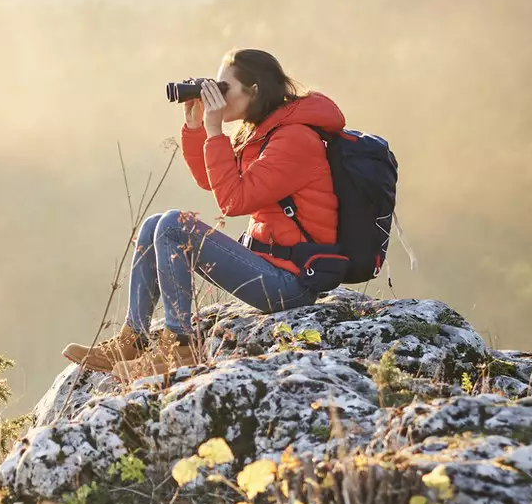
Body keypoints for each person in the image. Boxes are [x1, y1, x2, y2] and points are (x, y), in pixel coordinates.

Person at [66, 48, 346, 374]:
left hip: (291, 284)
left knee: (173, 226)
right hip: (268, 266)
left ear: (254, 89)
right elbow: (212, 181)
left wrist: (215, 132)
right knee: (155, 223)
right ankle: (134, 339)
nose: (218, 96)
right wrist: (196, 127)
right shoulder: (263, 129)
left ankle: (181, 348)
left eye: (224, 88)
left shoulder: (295, 138)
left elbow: (233, 200)